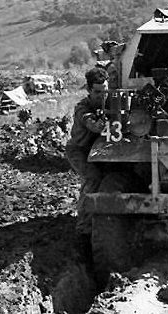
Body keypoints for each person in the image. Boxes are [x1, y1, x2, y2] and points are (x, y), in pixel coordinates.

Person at [66, 68, 109, 256]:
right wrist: (102, 124)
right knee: (92, 179)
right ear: (89, 91)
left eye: (105, 91)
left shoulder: (108, 102)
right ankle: (83, 228)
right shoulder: (83, 108)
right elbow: (92, 124)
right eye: (98, 92)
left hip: (97, 150)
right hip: (79, 151)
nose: (102, 96)